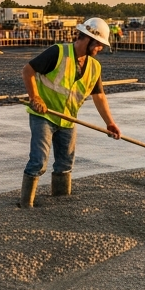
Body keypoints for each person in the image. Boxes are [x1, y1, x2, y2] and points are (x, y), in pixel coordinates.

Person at [21, 18, 122, 207]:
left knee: (65, 164)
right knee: (38, 161)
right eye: (99, 45)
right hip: (44, 115)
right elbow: (28, 71)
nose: (100, 49)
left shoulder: (94, 67)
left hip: (68, 120)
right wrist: (35, 98)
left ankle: (61, 203)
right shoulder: (58, 52)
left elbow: (99, 96)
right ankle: (25, 204)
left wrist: (109, 122)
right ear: (88, 38)